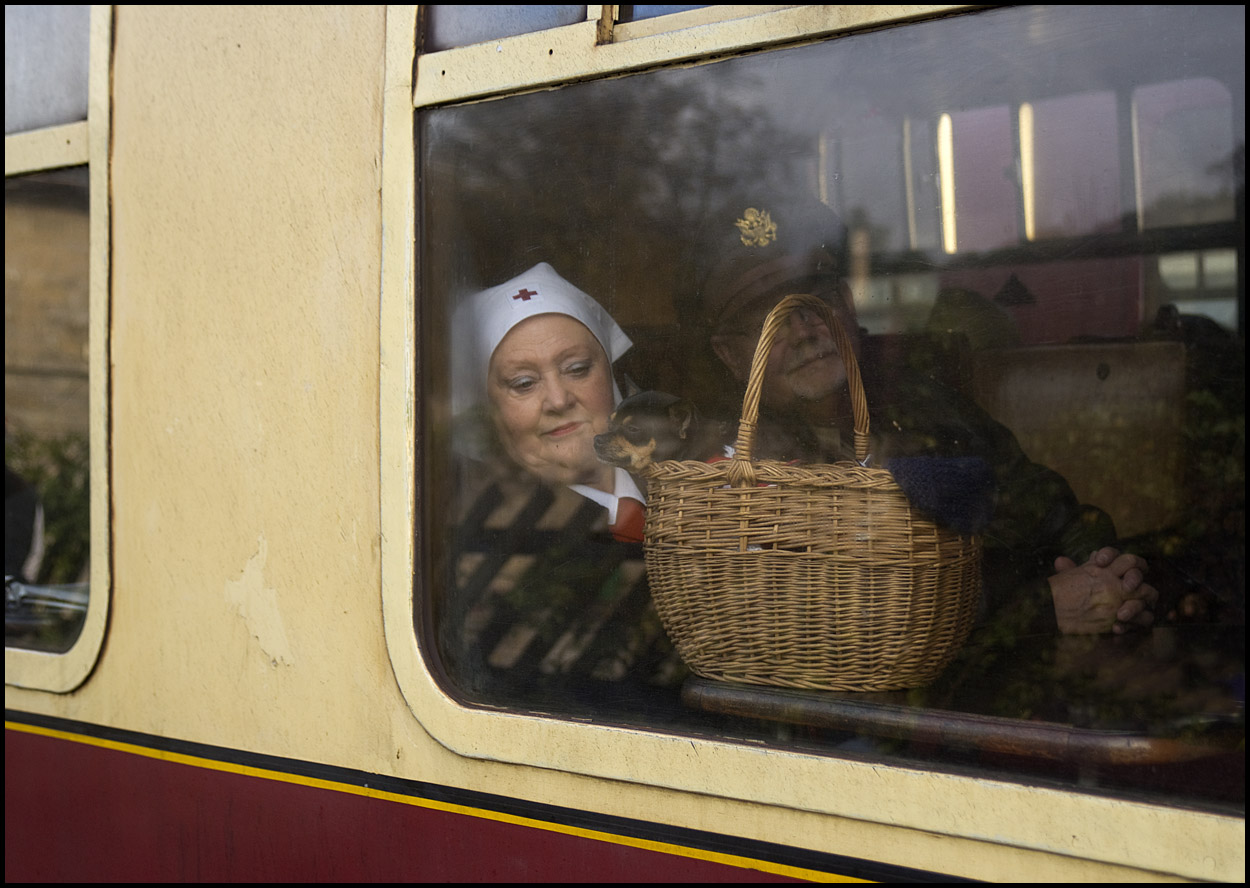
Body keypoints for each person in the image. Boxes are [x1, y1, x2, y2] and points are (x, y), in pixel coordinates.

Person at [696, 196, 1158, 636]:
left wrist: (1112, 574)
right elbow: (838, 614)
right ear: (730, 356)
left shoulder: (920, 401)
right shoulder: (727, 465)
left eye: (816, 304)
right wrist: (1038, 606)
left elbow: (1046, 506)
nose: (802, 332)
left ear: (847, 303)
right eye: (769, 321)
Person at [442, 262, 683, 711]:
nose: (557, 399)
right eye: (523, 384)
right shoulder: (489, 539)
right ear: (489, 413)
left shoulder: (689, 479)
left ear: (609, 378)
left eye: (576, 368)